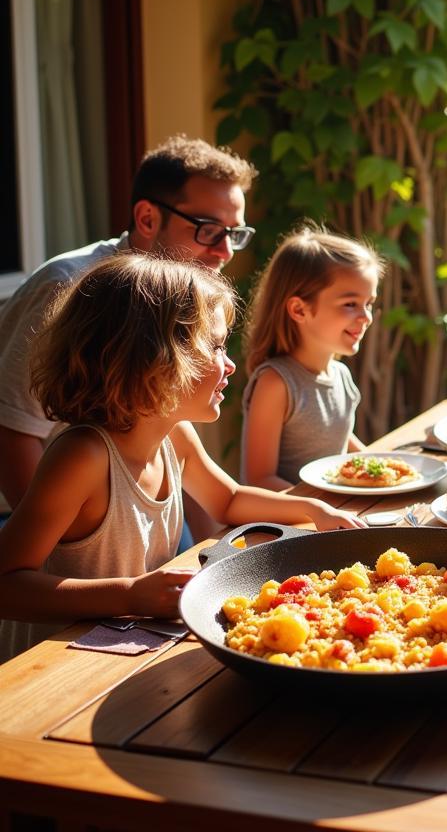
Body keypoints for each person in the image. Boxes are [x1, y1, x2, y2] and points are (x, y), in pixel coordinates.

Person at [0, 254, 365, 663]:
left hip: (125, 644)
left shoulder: (175, 435)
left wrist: (312, 509)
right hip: (52, 667)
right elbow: (7, 585)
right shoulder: (83, 457)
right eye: (213, 346)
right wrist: (131, 592)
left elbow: (227, 500)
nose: (229, 365)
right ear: (153, 357)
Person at [0, 134, 257, 519]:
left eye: (233, 234)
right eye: (208, 230)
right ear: (148, 218)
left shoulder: (189, 294)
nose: (224, 252)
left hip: (136, 510)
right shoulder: (70, 287)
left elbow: (193, 468)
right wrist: (60, 551)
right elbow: (12, 431)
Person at [241, 227, 383, 489]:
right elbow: (259, 480)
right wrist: (322, 506)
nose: (366, 317)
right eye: (350, 304)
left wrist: (382, 467)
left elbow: (336, 440)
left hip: (336, 518)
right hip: (289, 525)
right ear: (299, 309)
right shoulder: (276, 383)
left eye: (369, 303)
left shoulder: (340, 375)